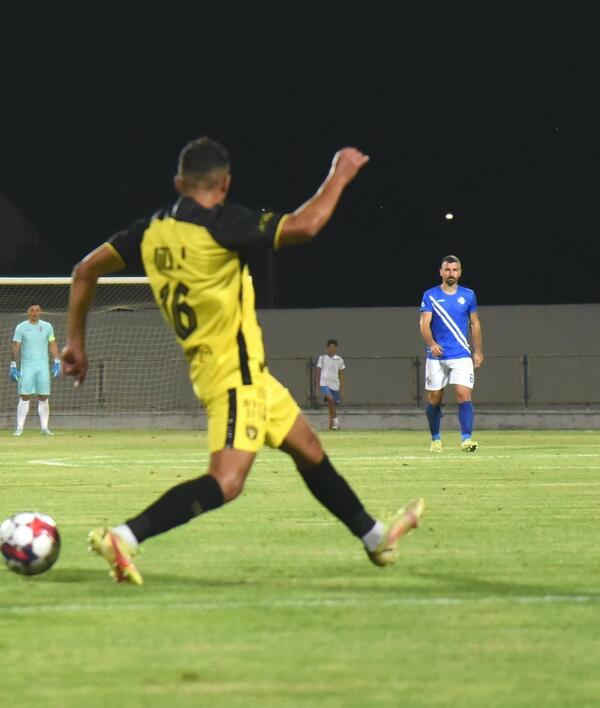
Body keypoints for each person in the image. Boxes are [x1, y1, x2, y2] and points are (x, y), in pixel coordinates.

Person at [62, 137, 424, 585]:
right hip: (234, 376)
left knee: (308, 450)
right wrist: (340, 174)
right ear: (226, 183)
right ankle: (124, 537)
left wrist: (75, 342)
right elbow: (307, 225)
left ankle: (375, 538)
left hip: (242, 373)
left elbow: (84, 271)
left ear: (178, 182)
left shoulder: (149, 231)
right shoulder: (222, 225)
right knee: (228, 482)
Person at [419, 255, 483, 453]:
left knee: (463, 394)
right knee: (434, 398)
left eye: (455, 270)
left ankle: (466, 439)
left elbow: (475, 323)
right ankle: (435, 438)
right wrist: (431, 343)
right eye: (447, 270)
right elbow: (424, 323)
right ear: (441, 272)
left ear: (460, 272)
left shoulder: (469, 295)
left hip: (461, 354)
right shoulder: (430, 295)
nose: (451, 273)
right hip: (436, 356)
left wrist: (478, 350)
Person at [10, 303, 61, 436]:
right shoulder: (21, 327)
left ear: (40, 312)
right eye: (32, 310)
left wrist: (57, 360)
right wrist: (13, 364)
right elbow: (16, 345)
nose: (34, 312)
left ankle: (45, 428)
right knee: (25, 396)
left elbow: (52, 343)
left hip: (43, 366)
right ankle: (19, 428)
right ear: (28, 312)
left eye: (37, 310)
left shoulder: (47, 327)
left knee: (43, 396)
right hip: (27, 366)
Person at [316, 339, 345, 430]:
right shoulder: (322, 358)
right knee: (330, 398)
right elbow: (318, 372)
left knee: (331, 406)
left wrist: (341, 388)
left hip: (335, 385)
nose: (331, 348)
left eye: (333, 347)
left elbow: (341, 375)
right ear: (327, 348)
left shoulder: (340, 360)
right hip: (324, 383)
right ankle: (336, 420)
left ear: (336, 348)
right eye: (330, 347)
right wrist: (317, 387)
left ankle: (331, 426)